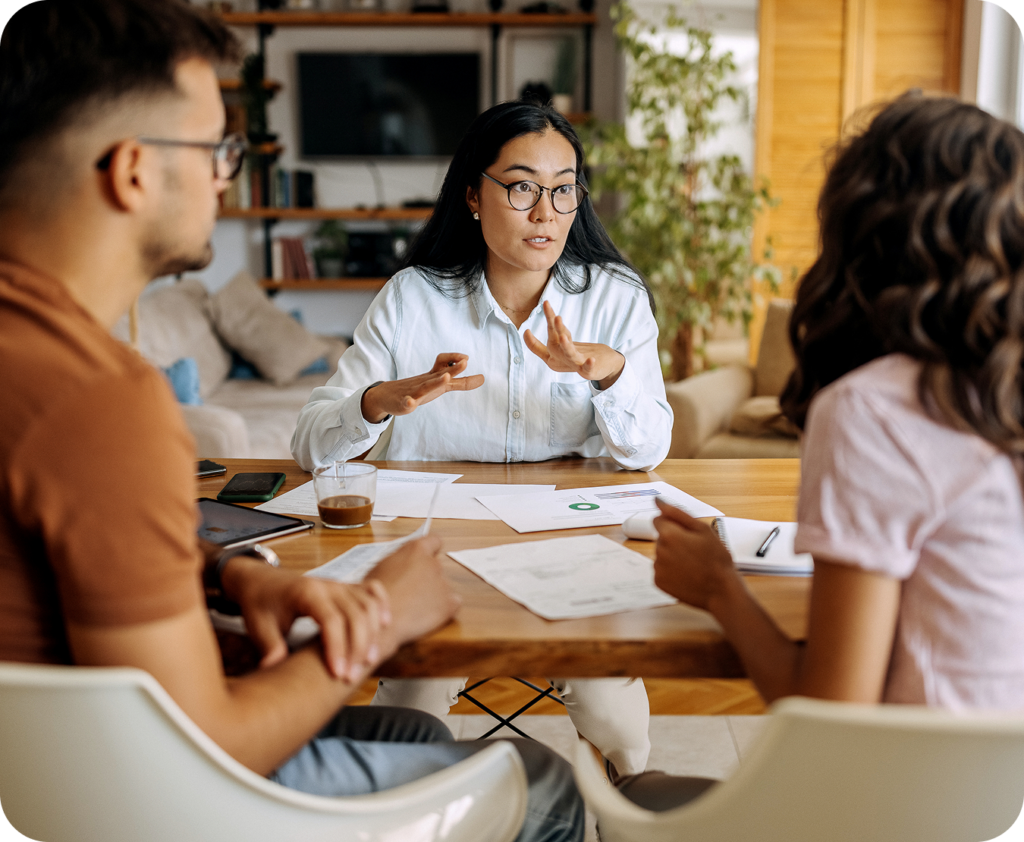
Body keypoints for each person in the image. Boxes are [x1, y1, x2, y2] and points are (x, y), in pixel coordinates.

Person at [0, 4, 583, 839]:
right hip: (124, 795)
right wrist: (382, 614)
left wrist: (228, 574)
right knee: (542, 780)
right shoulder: (99, 403)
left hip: (38, 771)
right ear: (131, 171)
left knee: (416, 731)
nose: (226, 178)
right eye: (216, 151)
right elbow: (200, 749)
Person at [620, 92, 1024, 810]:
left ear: (866, 231)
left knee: (602, 795)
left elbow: (832, 717)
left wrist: (720, 589)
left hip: (913, 812)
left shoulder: (877, 407)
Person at [291, 100, 674, 777]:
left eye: (563, 190)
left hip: (571, 550)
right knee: (410, 714)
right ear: (473, 194)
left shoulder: (615, 297)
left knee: (615, 719)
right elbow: (311, 447)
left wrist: (606, 371)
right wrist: (382, 401)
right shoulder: (412, 298)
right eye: (522, 186)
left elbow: (645, 454)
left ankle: (626, 816)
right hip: (437, 554)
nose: (546, 211)